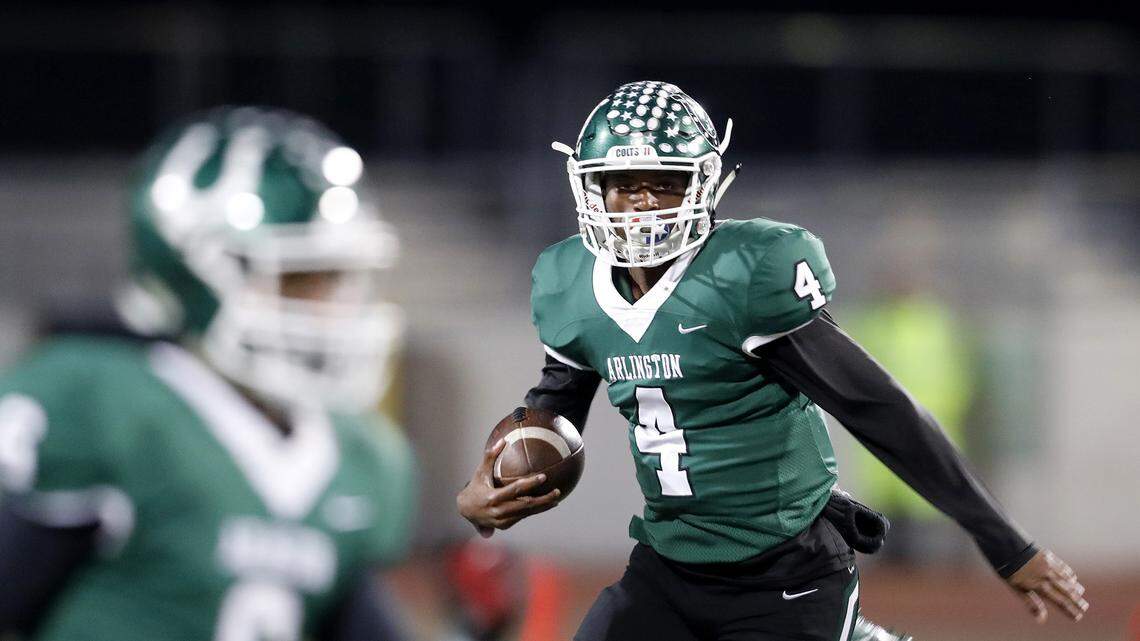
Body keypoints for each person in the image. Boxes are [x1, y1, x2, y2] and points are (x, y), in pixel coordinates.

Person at [457, 81, 1088, 641]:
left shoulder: (746, 274)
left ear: (703, 185)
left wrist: (1002, 542)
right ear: (592, 187)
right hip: (668, 564)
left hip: (787, 570)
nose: (644, 203)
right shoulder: (570, 283)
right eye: (625, 184)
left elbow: (878, 409)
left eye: (665, 182)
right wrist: (489, 490)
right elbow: (557, 406)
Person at [0, 107, 415, 641]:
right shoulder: (97, 404)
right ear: (191, 273)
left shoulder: (361, 457)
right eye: (298, 280)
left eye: (336, 280)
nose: (327, 311)